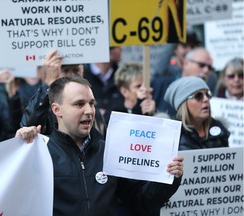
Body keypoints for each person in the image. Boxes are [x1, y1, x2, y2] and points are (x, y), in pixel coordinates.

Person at [16, 76, 184, 216]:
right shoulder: (40, 153)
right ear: (56, 109)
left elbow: (140, 202)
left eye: (92, 103)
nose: (89, 110)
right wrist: (17, 150)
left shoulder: (109, 151)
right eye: (79, 104)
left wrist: (167, 178)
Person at [21, 50, 107, 136]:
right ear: (56, 109)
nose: (72, 76)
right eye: (65, 71)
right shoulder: (45, 106)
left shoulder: (92, 108)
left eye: (76, 70)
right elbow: (29, 127)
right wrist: (48, 83)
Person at [164, 76, 230, 150]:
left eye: (208, 94)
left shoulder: (219, 130)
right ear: (183, 103)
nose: (206, 99)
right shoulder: (172, 135)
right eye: (198, 96)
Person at [152, 47, 217, 119]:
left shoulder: (210, 91)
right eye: (201, 65)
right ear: (186, 63)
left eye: (210, 68)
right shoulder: (160, 84)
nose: (206, 70)